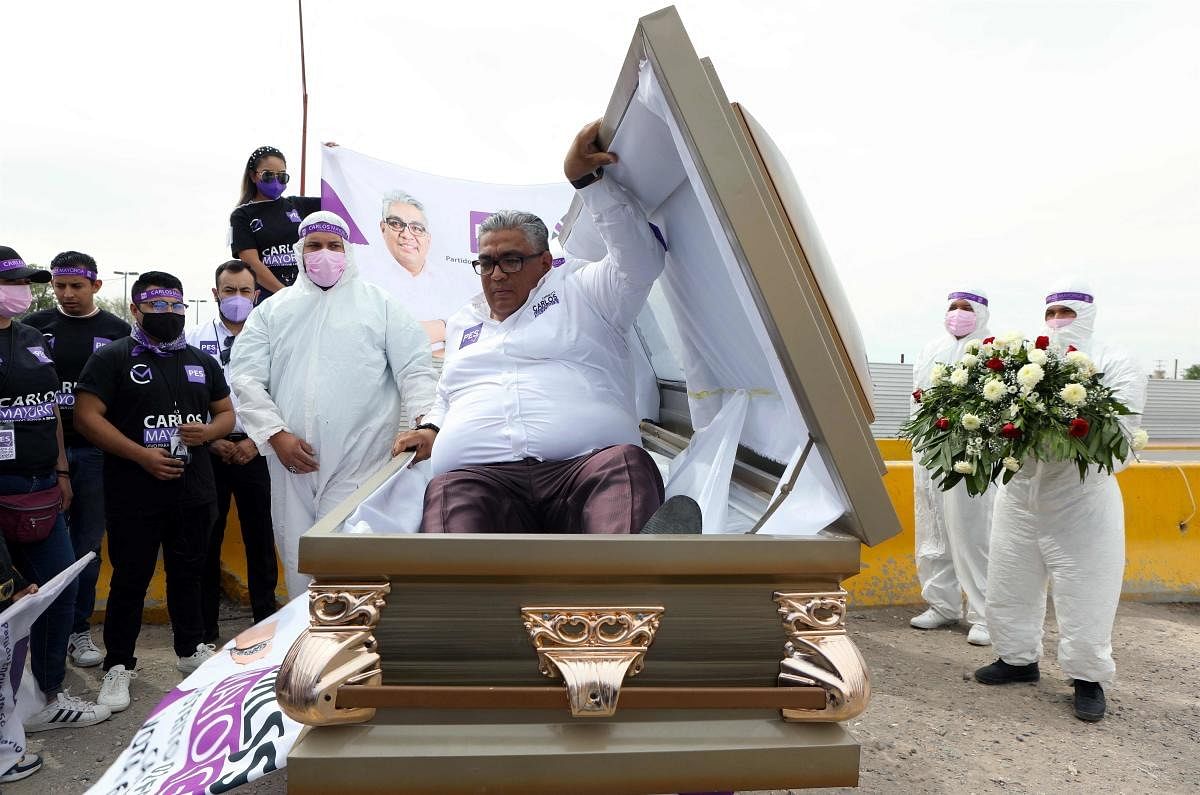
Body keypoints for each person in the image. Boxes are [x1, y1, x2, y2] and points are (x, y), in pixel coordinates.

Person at [397, 121, 685, 536]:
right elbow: (450, 392)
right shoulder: (464, 322)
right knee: (448, 497)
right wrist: (431, 428)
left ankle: (620, 591)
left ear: (545, 262)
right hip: (482, 479)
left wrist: (588, 183)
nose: (496, 275)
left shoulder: (584, 291)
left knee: (625, 465)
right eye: (487, 263)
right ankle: (464, 600)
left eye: (511, 260)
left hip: (585, 469)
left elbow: (640, 261)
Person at [230, 211, 436, 597]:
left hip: (361, 464)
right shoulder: (273, 312)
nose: (324, 254)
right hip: (291, 465)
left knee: (350, 565)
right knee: (299, 559)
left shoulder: (381, 306)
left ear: (349, 252)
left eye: (333, 245)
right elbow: (245, 378)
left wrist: (426, 424)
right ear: (299, 251)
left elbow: (416, 369)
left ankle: (352, 651)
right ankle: (307, 650)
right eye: (314, 246)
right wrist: (275, 435)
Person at [975, 282, 1146, 722]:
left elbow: (1120, 436)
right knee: (1009, 578)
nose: (1057, 320)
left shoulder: (1116, 360)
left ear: (1087, 314)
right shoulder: (1027, 356)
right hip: (1020, 491)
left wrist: (1061, 428)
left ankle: (1088, 678)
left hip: (1081, 494)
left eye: (1066, 311)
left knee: (1086, 587)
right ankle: (1017, 659)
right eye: (1051, 311)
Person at [75, 272, 235, 713]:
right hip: (134, 493)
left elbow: (225, 412)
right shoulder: (113, 358)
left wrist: (209, 432)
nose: (168, 315)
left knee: (190, 573)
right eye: (157, 307)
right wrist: (140, 455)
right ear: (136, 309)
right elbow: (88, 417)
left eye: (175, 307)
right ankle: (119, 664)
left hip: (194, 490)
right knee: (131, 579)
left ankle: (190, 651)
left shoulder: (201, 361)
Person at [0, 246, 111, 733]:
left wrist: (63, 472)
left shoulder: (30, 338)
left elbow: (49, 410)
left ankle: (45, 696)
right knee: (9, 604)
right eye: (12, 282)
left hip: (43, 484)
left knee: (57, 593)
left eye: (25, 281)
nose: (23, 290)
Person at [25, 251, 130, 668]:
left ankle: (78, 631)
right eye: (60, 285)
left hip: (95, 455)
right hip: (41, 457)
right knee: (41, 551)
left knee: (86, 548)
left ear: (96, 286)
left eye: (77, 286)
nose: (67, 294)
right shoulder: (32, 328)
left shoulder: (117, 331)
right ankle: (37, 635)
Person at [186, 260, 278, 640]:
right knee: (206, 537)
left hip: (259, 451)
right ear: (215, 294)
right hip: (209, 452)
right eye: (229, 291)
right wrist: (213, 439)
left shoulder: (274, 338)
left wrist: (257, 442)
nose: (237, 298)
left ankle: (266, 622)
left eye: (244, 291)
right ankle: (205, 631)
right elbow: (185, 397)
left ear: (256, 295)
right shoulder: (193, 338)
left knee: (262, 538)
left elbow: (283, 394)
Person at [909, 290, 995, 646]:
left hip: (971, 454)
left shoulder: (992, 350)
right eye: (953, 307)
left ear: (982, 313)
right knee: (933, 530)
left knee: (974, 533)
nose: (958, 314)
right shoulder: (931, 349)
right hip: (930, 451)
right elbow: (916, 398)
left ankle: (985, 615)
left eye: (966, 308)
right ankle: (941, 605)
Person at [377, 190, 476, 358]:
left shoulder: (450, 281)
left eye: (417, 228)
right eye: (396, 223)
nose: (407, 234)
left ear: (428, 239)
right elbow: (386, 340)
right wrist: (445, 327)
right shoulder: (369, 279)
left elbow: (472, 330)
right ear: (383, 228)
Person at [229, 146, 321, 303]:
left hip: (306, 298)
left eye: (282, 176)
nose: (276, 181)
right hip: (268, 301)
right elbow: (251, 262)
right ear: (253, 176)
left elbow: (339, 199)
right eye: (268, 176)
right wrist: (284, 294)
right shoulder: (242, 215)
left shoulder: (298, 205)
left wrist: (337, 158)